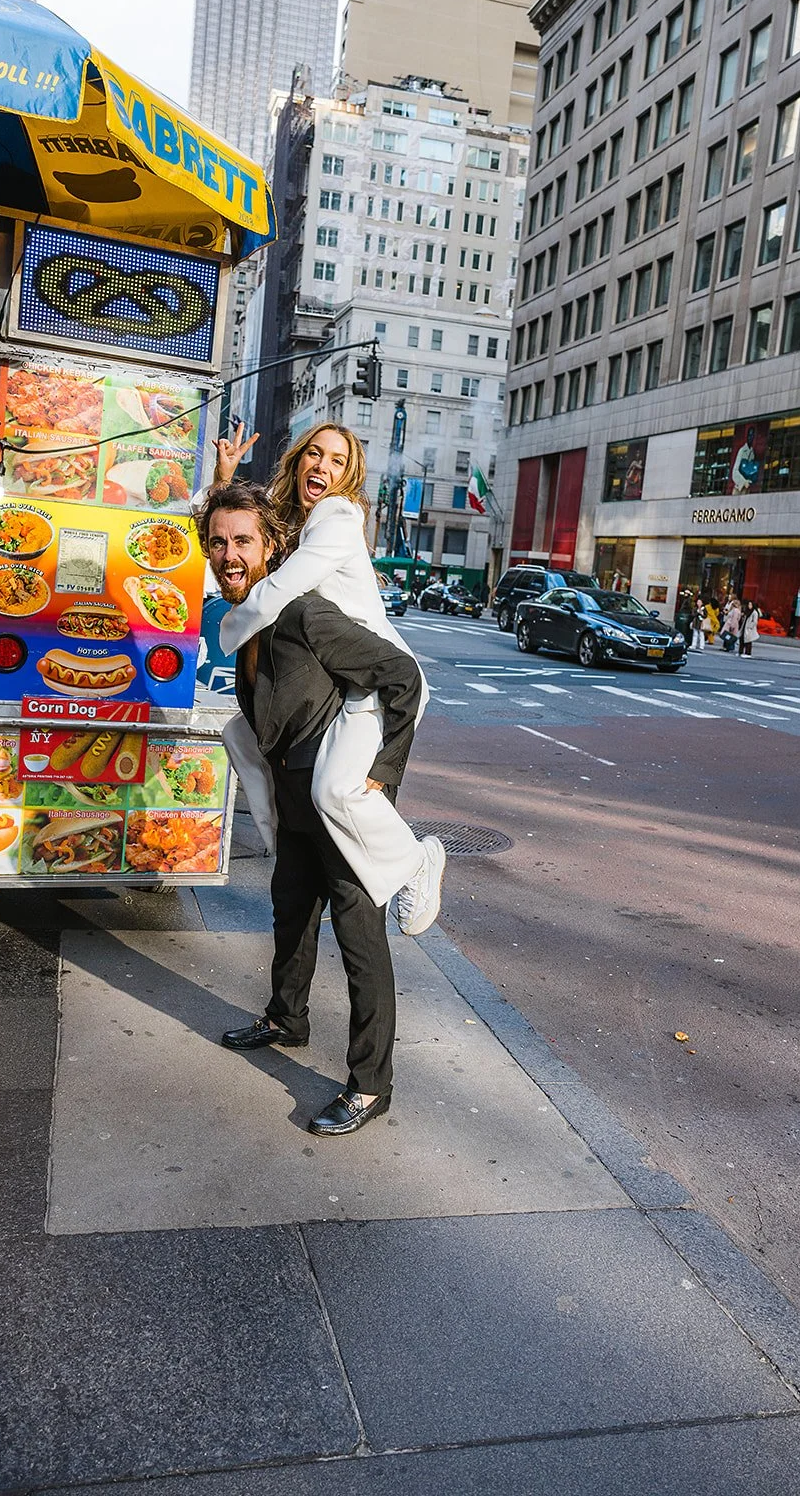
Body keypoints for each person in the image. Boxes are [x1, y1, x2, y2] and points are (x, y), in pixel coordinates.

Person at [199, 481, 423, 1136]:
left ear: (271, 546)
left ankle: (370, 1085)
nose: (229, 552)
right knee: (290, 914)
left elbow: (398, 675)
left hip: (336, 803)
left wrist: (384, 775)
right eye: (217, 541)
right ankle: (285, 1019)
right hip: (293, 800)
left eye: (243, 540)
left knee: (360, 941)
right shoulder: (242, 621)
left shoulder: (303, 612)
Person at [210, 421, 444, 936]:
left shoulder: (337, 517)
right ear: (298, 461)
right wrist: (223, 481)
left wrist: (228, 626)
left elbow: (279, 588)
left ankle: (415, 861)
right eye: (315, 454)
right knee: (239, 734)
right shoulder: (295, 521)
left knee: (337, 790)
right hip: (336, 678)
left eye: (337, 461)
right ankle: (274, 837)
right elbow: (233, 537)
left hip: (374, 680)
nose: (322, 466)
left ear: (347, 476)